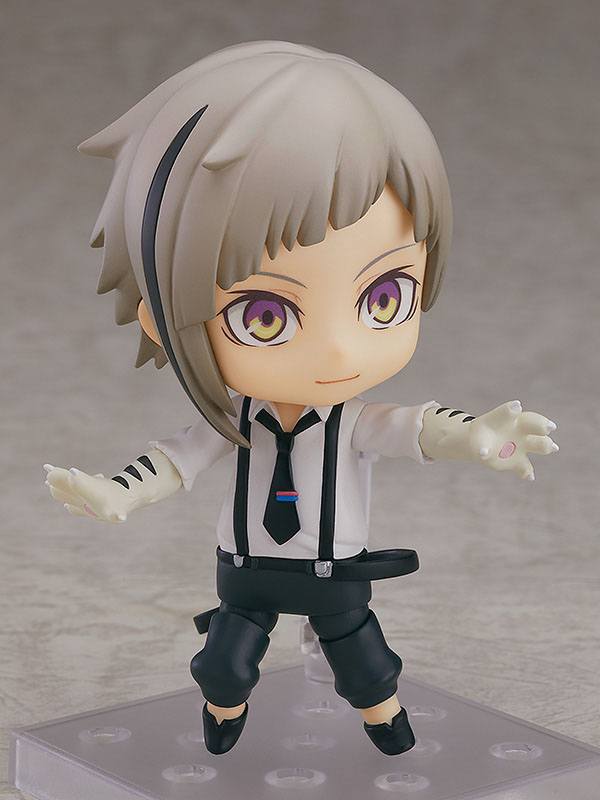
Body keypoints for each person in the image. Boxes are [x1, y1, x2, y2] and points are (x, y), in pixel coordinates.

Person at [44, 41, 558, 756]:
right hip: (246, 576)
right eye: (265, 316)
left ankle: (387, 725)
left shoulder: (353, 422)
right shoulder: (233, 422)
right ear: (162, 318)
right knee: (223, 666)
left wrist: (475, 437)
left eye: (384, 297)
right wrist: (117, 493)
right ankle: (223, 714)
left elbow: (416, 428)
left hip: (334, 578)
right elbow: (173, 461)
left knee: (367, 669)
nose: (339, 352)